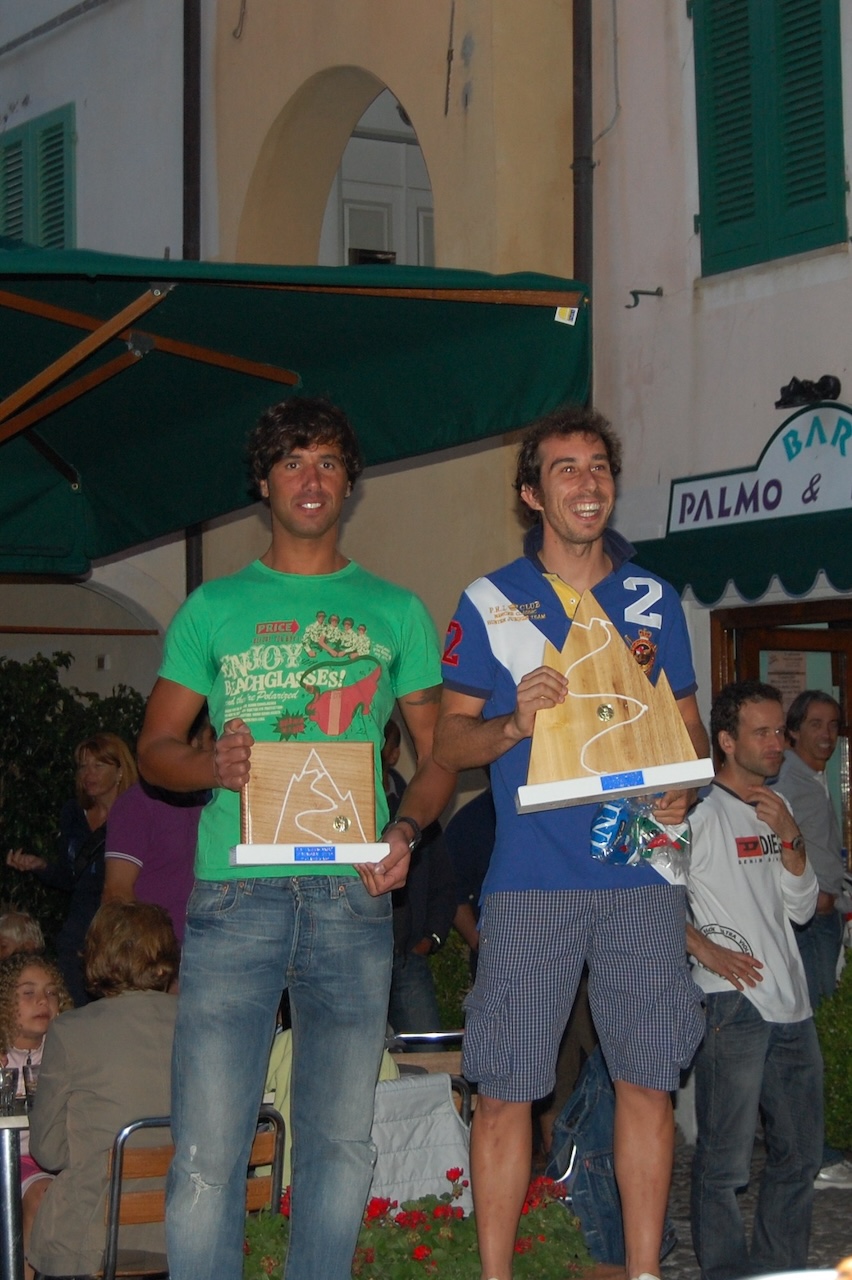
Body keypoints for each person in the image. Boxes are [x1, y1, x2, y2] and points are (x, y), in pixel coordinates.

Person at [136, 396, 455, 1280]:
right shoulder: (214, 606)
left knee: (341, 1145)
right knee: (208, 1150)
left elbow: (438, 758)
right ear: (264, 482)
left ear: (349, 482)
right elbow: (154, 749)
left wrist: (406, 829)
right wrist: (211, 765)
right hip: (235, 891)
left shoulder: (397, 611)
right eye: (291, 462)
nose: (310, 479)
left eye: (327, 462)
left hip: (353, 894)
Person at [433, 403, 708, 1280]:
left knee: (648, 1085)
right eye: (566, 469)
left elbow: (690, 736)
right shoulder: (490, 602)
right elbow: (448, 745)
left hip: (640, 870)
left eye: (599, 467)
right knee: (506, 1091)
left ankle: (644, 1273)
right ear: (531, 493)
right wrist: (513, 723)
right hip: (530, 878)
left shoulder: (652, 598)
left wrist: (686, 783)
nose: (588, 484)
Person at [686, 680, 822, 1280]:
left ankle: (778, 1269)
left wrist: (790, 836)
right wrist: (704, 950)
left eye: (779, 732)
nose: (777, 743)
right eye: (762, 732)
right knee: (724, 1165)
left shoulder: (776, 807)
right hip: (733, 1006)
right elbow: (648, 897)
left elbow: (802, 906)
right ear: (725, 740)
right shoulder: (697, 811)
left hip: (792, 1005)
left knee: (800, 1157)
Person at [27, 901, 179, 1279]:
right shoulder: (202, 1024)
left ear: (97, 956)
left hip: (97, 1237)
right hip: (181, 1229)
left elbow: (49, 1151)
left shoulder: (73, 1030)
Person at [772, 688, 852, 1189]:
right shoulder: (786, 779)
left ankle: (810, 1150)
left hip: (824, 921)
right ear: (794, 731)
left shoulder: (815, 779)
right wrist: (817, 894)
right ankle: (815, 1156)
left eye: (834, 724)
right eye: (816, 724)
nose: (827, 734)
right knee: (809, 1037)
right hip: (807, 924)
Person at [6, 732, 137, 1005]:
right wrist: (41, 866)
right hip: (77, 933)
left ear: (120, 771)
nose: (88, 774)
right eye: (83, 766)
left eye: (98, 765)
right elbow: (69, 879)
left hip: (118, 934)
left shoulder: (136, 815)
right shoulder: (73, 813)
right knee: (75, 1010)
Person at [102, 710, 214, 943]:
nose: (215, 752)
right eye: (210, 743)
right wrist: (144, 953)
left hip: (203, 946)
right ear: (189, 745)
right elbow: (117, 891)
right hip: (155, 950)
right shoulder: (138, 803)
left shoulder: (209, 801)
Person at [382, 720, 457, 1041]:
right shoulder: (343, 806)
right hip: (352, 959)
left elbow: (444, 883)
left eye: (380, 744)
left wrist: (430, 939)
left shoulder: (418, 812)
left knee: (429, 1056)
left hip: (406, 960)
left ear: (394, 753)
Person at [0, 951, 72, 1280]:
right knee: (42, 1197)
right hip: (14, 1156)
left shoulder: (68, 1051)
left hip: (58, 1154)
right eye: (28, 993)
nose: (43, 1000)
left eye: (51, 991)